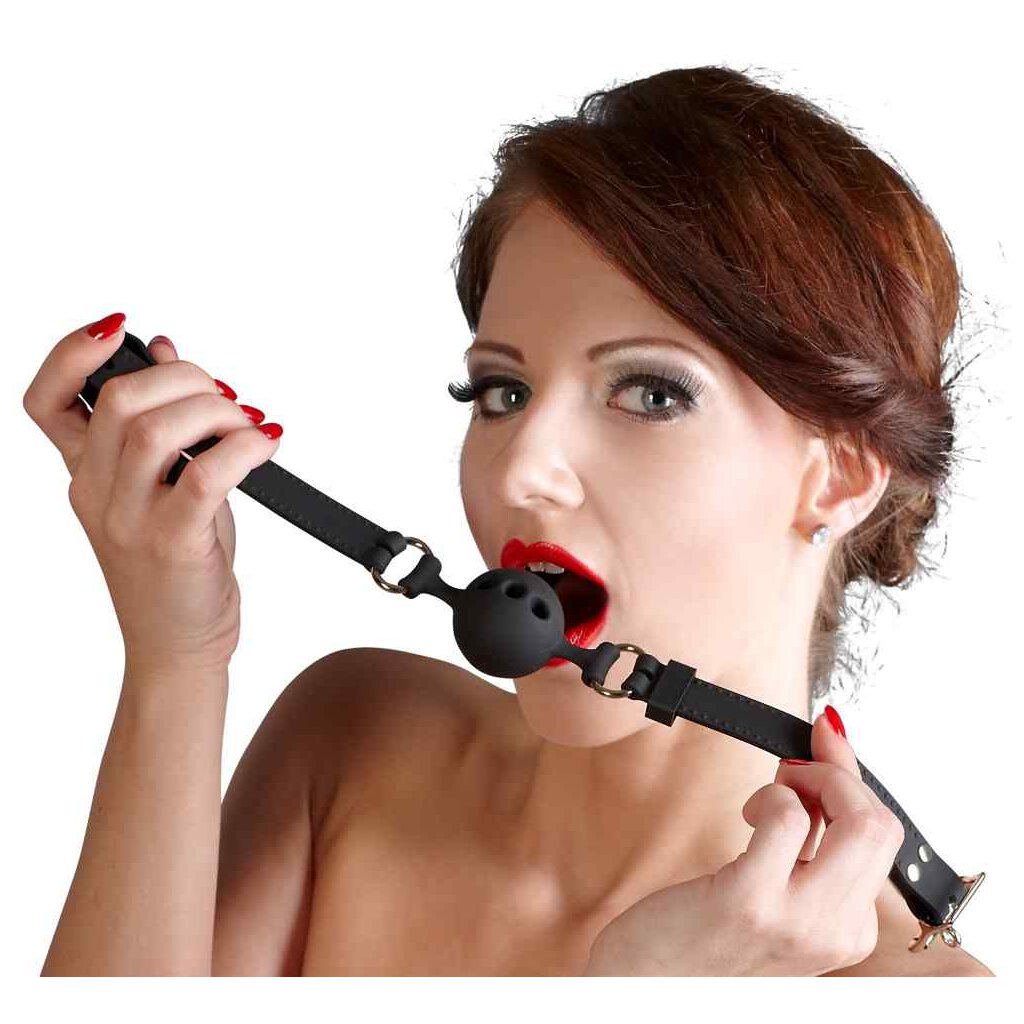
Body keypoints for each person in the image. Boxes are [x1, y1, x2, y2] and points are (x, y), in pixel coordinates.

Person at [26, 65, 993, 976]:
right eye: (502, 392)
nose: (522, 468)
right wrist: (176, 661)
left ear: (838, 477)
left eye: (651, 394)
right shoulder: (350, 747)